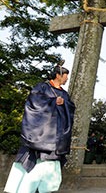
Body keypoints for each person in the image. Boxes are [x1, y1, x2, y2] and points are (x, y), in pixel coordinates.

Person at [4, 63, 75, 193]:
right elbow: (34, 104)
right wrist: (53, 102)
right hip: (39, 137)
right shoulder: (41, 88)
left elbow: (70, 108)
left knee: (49, 181)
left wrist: (64, 103)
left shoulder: (65, 94)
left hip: (56, 141)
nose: (67, 79)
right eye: (65, 76)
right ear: (58, 75)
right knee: (27, 180)